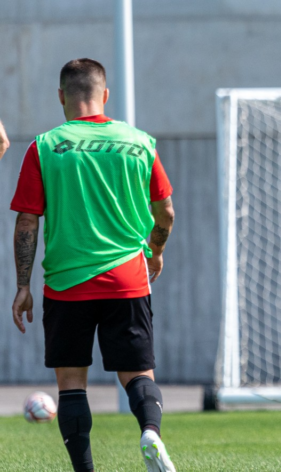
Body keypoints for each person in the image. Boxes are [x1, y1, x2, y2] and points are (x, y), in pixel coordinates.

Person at [10, 59, 177, 472]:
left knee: (71, 385)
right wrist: (155, 250)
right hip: (127, 278)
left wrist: (23, 285)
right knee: (138, 374)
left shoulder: (45, 146)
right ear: (104, 95)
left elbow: (27, 221)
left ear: (61, 96)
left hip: (67, 282)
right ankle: (151, 432)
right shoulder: (139, 142)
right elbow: (166, 213)